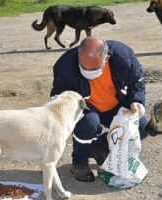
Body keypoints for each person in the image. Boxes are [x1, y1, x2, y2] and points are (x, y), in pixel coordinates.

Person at [50, 36, 148, 182]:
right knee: (89, 124)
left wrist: (136, 101)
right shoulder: (65, 64)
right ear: (78, 55)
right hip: (87, 107)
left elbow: (137, 81)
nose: (88, 72)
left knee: (143, 127)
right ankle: (79, 162)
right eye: (83, 67)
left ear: (106, 59)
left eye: (94, 69)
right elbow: (58, 94)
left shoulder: (123, 57)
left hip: (115, 106)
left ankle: (99, 146)